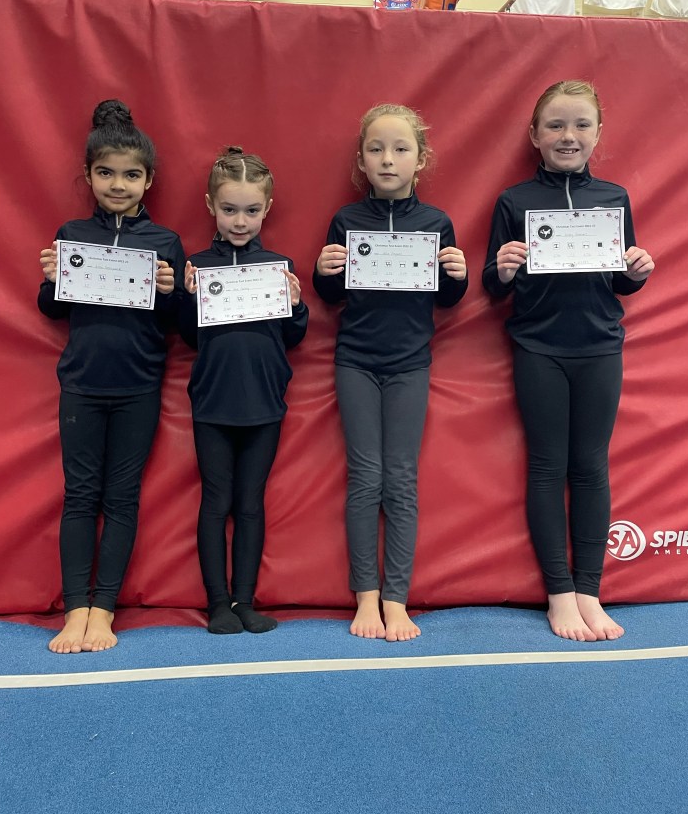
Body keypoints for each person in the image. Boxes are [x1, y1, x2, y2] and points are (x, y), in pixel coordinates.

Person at [482, 80, 654, 642]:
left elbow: (619, 280)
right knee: (547, 466)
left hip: (600, 348)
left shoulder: (614, 198)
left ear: (599, 133)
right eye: (555, 125)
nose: (568, 135)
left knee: (591, 467)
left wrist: (635, 272)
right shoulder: (513, 202)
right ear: (534, 135)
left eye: (581, 124)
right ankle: (559, 593)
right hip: (539, 349)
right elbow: (492, 285)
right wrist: (503, 269)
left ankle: (589, 591)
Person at [313, 103, 468, 642]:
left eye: (400, 149)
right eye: (376, 149)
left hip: (410, 365)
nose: (387, 159)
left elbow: (446, 299)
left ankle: (397, 599)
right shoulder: (346, 220)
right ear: (361, 160)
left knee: (400, 479)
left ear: (420, 160)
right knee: (365, 478)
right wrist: (323, 271)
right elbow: (331, 294)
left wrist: (456, 275)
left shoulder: (436, 224)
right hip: (356, 361)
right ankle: (366, 597)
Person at [38, 100, 185, 654]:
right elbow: (53, 309)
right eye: (105, 173)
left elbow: (177, 323)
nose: (117, 185)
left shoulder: (164, 242)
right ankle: (75, 610)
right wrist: (52, 279)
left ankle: (103, 611)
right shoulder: (72, 234)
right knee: (80, 496)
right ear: (89, 176)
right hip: (81, 385)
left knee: (122, 498)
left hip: (138, 386)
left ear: (148, 180)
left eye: (130, 175)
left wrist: (171, 293)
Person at [181, 147, 308, 635]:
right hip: (213, 403)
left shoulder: (278, 266)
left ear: (267, 209)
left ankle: (244, 601)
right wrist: (187, 298)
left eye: (251, 210)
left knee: (250, 503)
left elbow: (292, 337)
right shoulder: (197, 266)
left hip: (264, 402)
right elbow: (188, 337)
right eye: (229, 209)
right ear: (210, 205)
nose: (240, 221)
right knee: (217, 502)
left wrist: (296, 305)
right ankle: (217, 603)